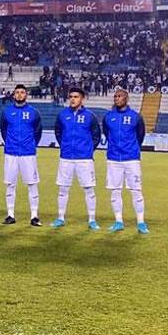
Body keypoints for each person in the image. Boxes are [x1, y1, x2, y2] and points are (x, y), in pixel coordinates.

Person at [52, 87, 102, 229]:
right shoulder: (62, 115)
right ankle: (60, 217)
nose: (73, 99)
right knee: (63, 189)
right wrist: (65, 146)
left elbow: (96, 135)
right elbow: (58, 132)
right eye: (71, 96)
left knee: (89, 189)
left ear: (82, 99)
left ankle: (92, 219)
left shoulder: (90, 116)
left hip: (84, 159)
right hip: (66, 157)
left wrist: (88, 150)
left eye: (76, 97)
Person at [102, 88, 148, 234]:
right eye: (115, 96)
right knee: (115, 191)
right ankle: (118, 221)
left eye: (120, 96)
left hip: (131, 159)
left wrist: (132, 149)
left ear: (126, 99)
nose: (117, 98)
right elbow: (107, 133)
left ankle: (141, 222)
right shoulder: (108, 116)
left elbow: (140, 135)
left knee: (136, 190)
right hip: (114, 158)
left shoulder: (135, 117)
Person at [0, 84, 43, 226]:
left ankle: (34, 216)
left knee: (32, 184)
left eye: (22, 92)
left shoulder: (34, 112)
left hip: (28, 154)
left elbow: (38, 132)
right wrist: (10, 144)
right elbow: (3, 130)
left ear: (26, 95)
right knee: (10, 185)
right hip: (11, 153)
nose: (19, 95)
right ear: (13, 95)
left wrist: (30, 144)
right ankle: (10, 215)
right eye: (17, 92)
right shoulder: (7, 112)